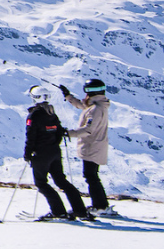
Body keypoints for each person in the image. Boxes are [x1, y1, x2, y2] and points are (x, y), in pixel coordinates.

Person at [25, 85, 90, 221]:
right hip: (55, 152)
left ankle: (58, 211)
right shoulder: (52, 113)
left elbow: (31, 136)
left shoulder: (34, 115)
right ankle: (80, 210)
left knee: (41, 183)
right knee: (61, 181)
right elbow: (59, 132)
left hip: (41, 154)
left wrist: (28, 153)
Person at [62, 79, 114, 217]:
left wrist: (69, 133)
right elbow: (83, 106)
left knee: (91, 176)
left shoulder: (96, 109)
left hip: (93, 147)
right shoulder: (97, 105)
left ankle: (100, 206)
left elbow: (88, 129)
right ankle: (101, 205)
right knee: (92, 176)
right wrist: (68, 97)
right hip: (95, 146)